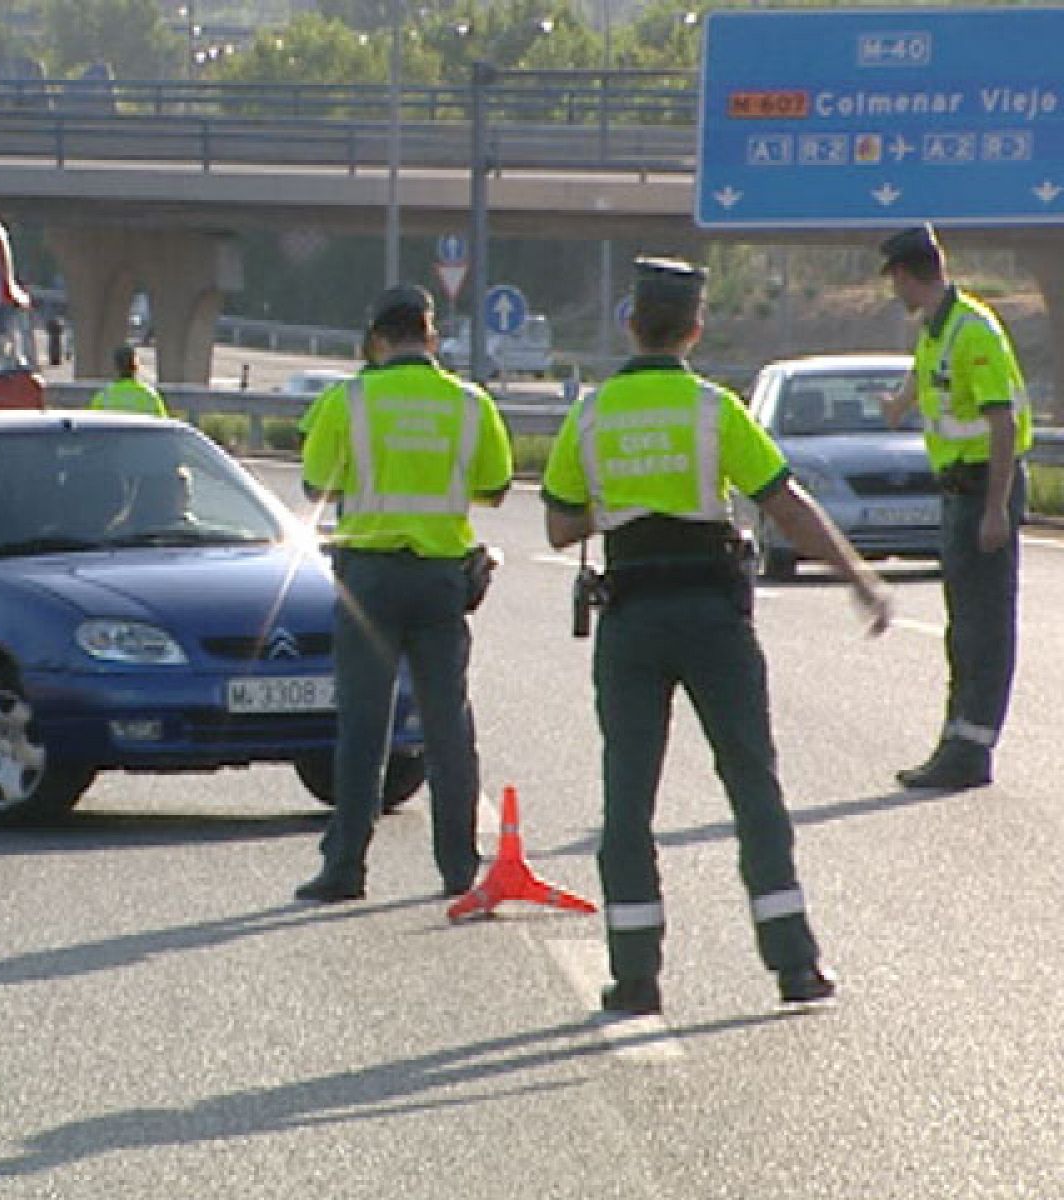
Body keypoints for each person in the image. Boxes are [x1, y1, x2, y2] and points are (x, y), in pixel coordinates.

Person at [541, 257, 894, 1014]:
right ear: (696, 329)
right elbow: (786, 504)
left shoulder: (592, 416)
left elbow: (560, 525)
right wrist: (859, 578)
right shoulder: (713, 410)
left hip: (631, 621)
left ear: (631, 325)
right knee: (753, 785)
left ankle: (636, 978)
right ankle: (795, 965)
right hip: (713, 620)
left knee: (627, 797)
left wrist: (624, 504)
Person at [294, 282, 514, 903]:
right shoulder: (469, 404)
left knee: (363, 727)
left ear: (376, 340)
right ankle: (458, 869)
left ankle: (345, 868)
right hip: (440, 581)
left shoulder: (348, 400)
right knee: (448, 727)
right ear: (432, 337)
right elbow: (496, 487)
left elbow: (314, 485)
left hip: (368, 579)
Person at [877, 223, 1032, 791]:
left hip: (984, 487)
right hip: (958, 492)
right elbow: (927, 377)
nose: (893, 289)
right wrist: (898, 403)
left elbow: (1002, 423)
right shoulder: (935, 329)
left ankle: (972, 749)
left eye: (894, 278)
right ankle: (957, 741)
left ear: (906, 274)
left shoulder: (973, 330)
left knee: (983, 628)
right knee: (963, 628)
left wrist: (996, 509)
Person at [90, 344, 169, 417]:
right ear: (136, 366)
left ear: (116, 367)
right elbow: (164, 424)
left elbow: (92, 423)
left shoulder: (103, 397)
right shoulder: (151, 396)